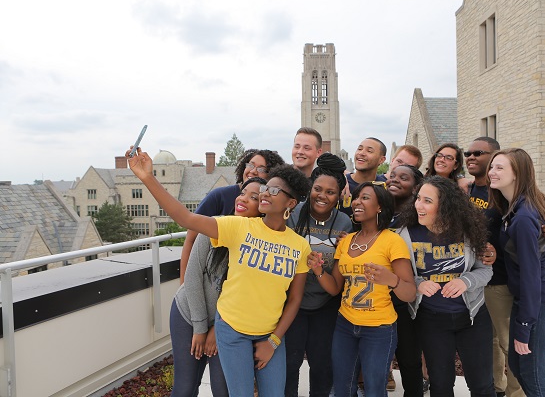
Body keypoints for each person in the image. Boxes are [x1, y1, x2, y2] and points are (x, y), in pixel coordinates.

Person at [126, 147, 313, 397]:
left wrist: (274, 341)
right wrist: (147, 177)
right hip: (232, 331)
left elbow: (295, 299)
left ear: (291, 203)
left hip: (270, 334)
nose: (266, 193)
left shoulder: (299, 245)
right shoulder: (239, 226)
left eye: (274, 190)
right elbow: (186, 219)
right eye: (266, 188)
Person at [465, 137, 545, 397]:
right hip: (531, 301)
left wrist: (523, 327)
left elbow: (531, 276)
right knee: (521, 369)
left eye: (500, 168)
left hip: (541, 303)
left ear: (517, 173)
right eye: (492, 167)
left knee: (532, 375)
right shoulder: (513, 208)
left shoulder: (523, 217)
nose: (492, 172)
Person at [312, 181, 417, 396]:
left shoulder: (392, 241)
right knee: (342, 387)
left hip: (379, 329)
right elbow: (334, 288)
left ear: (380, 207)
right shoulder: (347, 240)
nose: (358, 202)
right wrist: (318, 271)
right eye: (357, 197)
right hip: (345, 325)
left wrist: (392, 280)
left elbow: (410, 293)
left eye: (365, 198)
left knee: (374, 389)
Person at [170, 177, 267, 397]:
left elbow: (246, 293)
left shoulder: (262, 245)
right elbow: (192, 276)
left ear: (263, 207)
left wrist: (217, 328)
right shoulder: (216, 225)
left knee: (222, 389)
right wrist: (200, 327)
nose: (243, 199)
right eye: (243, 193)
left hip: (228, 324)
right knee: (185, 387)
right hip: (189, 314)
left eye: (254, 197)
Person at [399, 176, 495, 397]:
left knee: (482, 385)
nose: (418, 206)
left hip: (472, 318)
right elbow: (399, 275)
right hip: (432, 320)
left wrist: (465, 281)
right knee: (441, 387)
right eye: (418, 198)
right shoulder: (406, 234)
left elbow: (486, 270)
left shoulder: (468, 230)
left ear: (445, 206)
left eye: (427, 201)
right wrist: (419, 283)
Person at [285, 153, 353, 397]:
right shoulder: (294, 214)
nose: (322, 196)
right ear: (310, 189)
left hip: (326, 304)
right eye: (318, 189)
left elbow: (343, 269)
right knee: (290, 363)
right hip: (293, 302)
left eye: (330, 192)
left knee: (322, 364)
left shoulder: (344, 222)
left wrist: (347, 247)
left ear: (339, 196)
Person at [179, 149, 285, 282]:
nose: (253, 171)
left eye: (262, 169)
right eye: (250, 165)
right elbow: (191, 237)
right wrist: (183, 284)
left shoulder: (271, 208)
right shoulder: (219, 196)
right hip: (211, 277)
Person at [386, 164, 426, 396]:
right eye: (392, 176)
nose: (395, 180)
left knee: (410, 359)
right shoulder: (378, 213)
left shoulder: (419, 220)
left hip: (408, 298)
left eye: (403, 178)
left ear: (416, 188)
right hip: (378, 297)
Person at [340, 137, 387, 217]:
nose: (361, 153)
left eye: (369, 151)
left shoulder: (385, 187)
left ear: (381, 160)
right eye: (359, 149)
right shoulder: (341, 183)